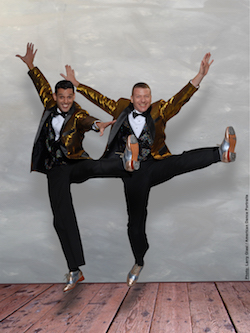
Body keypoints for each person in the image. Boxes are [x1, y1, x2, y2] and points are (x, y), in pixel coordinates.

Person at [61, 53, 237, 287]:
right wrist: (78, 86)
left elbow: (180, 99)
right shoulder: (121, 107)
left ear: (150, 98)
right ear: (132, 98)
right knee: (105, 179)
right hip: (125, 168)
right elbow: (100, 100)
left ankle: (221, 153)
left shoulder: (159, 110)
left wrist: (199, 77)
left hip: (151, 166)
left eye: (146, 97)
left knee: (179, 163)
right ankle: (139, 259)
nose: (143, 100)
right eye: (139, 97)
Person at [16, 43, 140, 292]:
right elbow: (40, 85)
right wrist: (31, 65)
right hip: (55, 168)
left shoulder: (78, 112)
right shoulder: (50, 105)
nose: (64, 101)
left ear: (73, 98)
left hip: (76, 162)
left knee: (95, 167)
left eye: (69, 97)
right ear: (55, 97)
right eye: (61, 97)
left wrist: (98, 125)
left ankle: (126, 162)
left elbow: (87, 121)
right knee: (60, 219)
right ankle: (75, 269)